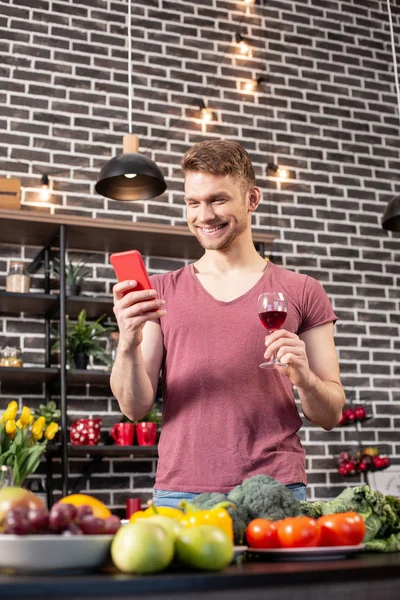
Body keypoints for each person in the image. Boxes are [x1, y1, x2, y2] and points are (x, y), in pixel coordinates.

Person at [111, 140, 345, 507]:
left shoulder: (303, 290)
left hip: (275, 489)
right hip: (180, 492)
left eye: (218, 199)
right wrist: (126, 343)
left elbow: (330, 414)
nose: (203, 215)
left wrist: (306, 379)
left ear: (252, 199)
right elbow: (134, 407)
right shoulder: (159, 291)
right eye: (193, 202)